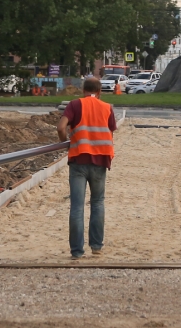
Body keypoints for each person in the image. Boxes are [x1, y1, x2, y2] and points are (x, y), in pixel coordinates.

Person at [57, 77, 116, 259]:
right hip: (100, 161)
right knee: (97, 203)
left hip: (79, 160)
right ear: (99, 92)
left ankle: (77, 251)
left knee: (77, 206)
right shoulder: (107, 108)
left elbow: (61, 127)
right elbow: (110, 130)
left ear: (83, 90)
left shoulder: (75, 105)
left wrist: (65, 142)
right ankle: (96, 246)